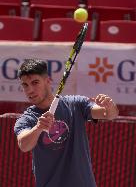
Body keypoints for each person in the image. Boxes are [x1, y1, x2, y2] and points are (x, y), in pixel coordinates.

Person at [14, 59, 119, 187]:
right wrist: (38, 128)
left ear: (48, 81)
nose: (30, 90)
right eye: (25, 85)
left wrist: (109, 105)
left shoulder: (75, 104)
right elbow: (24, 145)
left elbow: (109, 115)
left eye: (35, 82)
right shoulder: (27, 119)